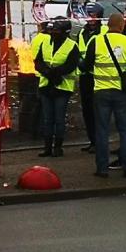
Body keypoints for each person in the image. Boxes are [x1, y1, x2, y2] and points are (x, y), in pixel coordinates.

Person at [80, 13, 126, 178]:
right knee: (125, 130)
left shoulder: (97, 41)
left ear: (108, 25)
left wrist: (79, 61)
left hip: (101, 92)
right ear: (121, 26)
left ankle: (102, 169)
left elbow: (85, 66)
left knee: (102, 131)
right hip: (122, 93)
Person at [34, 17, 79, 158]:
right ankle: (47, 147)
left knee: (59, 119)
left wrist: (56, 72)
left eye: (56, 30)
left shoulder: (72, 45)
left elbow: (71, 65)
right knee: (48, 119)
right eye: (51, 30)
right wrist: (47, 72)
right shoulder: (45, 42)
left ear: (65, 32)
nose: (53, 33)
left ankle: (58, 148)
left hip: (62, 87)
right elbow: (38, 61)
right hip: (46, 86)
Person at [74, 3, 106, 153]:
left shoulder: (104, 31)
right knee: (87, 111)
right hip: (85, 76)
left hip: (100, 76)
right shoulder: (82, 33)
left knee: (99, 111)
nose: (90, 19)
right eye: (88, 15)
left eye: (93, 16)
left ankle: (100, 142)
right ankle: (92, 141)